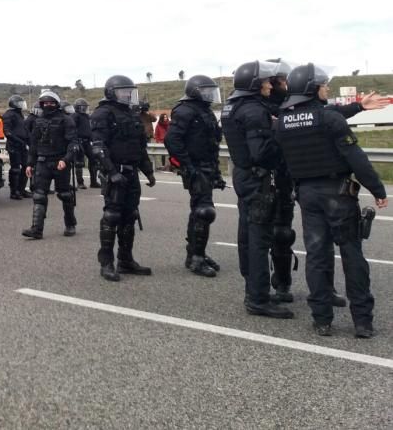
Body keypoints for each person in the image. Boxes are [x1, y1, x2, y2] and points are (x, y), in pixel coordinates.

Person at [276, 64, 388, 338]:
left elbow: (322, 117)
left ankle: (322, 319)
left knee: (316, 255)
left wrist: (359, 106)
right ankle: (362, 321)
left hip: (306, 195)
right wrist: (377, 189)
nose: (327, 89)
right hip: (337, 193)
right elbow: (355, 157)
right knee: (352, 255)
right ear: (314, 89)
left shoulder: (282, 121)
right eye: (324, 85)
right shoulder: (328, 119)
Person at [220, 60, 292, 318]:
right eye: (264, 81)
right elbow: (261, 152)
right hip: (258, 178)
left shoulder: (231, 106)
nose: (268, 85)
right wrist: (279, 136)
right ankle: (258, 299)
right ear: (253, 83)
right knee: (259, 239)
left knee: (247, 236)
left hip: (243, 175)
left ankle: (253, 289)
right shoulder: (253, 110)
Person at [90, 75, 156, 281]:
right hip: (114, 173)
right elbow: (98, 147)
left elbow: (139, 147)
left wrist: (149, 171)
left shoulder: (132, 114)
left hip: (131, 172)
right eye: (123, 92)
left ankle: (126, 260)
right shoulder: (103, 113)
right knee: (112, 216)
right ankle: (106, 263)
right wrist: (112, 172)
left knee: (130, 216)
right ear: (111, 92)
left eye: (130, 92)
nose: (128, 95)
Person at [164, 75, 226, 278]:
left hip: (207, 166)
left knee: (199, 211)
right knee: (204, 211)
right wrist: (188, 167)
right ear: (195, 91)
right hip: (196, 167)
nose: (210, 95)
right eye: (206, 91)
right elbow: (172, 140)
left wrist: (216, 173)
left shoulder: (205, 111)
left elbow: (211, 144)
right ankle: (196, 258)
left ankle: (195, 254)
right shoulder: (184, 110)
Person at [22, 91, 77, 239]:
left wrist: (65, 159)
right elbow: (33, 145)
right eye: (45, 103)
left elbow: (73, 143)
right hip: (42, 162)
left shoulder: (66, 120)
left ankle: (70, 224)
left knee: (65, 195)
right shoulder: (38, 121)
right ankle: (36, 230)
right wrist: (29, 164)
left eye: (51, 103)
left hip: (60, 163)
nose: (48, 105)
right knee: (39, 196)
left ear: (57, 104)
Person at [3, 94, 30, 199]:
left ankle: (22, 190)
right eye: (19, 103)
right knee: (15, 169)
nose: (21, 105)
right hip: (14, 145)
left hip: (23, 145)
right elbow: (8, 133)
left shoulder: (20, 115)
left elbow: (24, 130)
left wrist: (29, 141)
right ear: (14, 104)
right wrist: (19, 141)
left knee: (25, 167)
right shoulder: (8, 115)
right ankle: (14, 192)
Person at [73, 98, 95, 189]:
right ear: (78, 107)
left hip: (87, 142)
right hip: (79, 141)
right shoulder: (75, 116)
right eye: (83, 107)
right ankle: (80, 182)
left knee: (94, 160)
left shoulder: (87, 117)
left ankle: (93, 182)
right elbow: (72, 129)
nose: (85, 108)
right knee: (79, 162)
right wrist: (75, 141)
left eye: (85, 107)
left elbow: (89, 129)